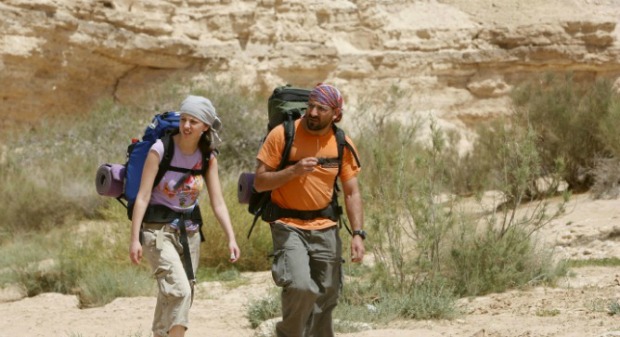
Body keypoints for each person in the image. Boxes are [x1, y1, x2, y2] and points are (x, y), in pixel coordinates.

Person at [254, 83, 366, 337]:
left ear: (336, 114)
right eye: (311, 106)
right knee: (301, 286)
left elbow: (351, 192)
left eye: (321, 108)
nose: (313, 113)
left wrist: (358, 233)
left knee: (327, 294)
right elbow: (260, 182)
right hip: (287, 223)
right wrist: (293, 171)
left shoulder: (341, 143)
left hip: (325, 226)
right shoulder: (283, 135)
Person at [129, 95, 240, 337]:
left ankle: (161, 333)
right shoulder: (161, 149)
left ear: (205, 127)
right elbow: (143, 196)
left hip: (189, 233)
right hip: (157, 231)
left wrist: (231, 237)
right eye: (184, 120)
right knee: (180, 292)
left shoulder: (208, 157)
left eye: (194, 122)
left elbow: (218, 202)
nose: (187, 126)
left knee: (179, 292)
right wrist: (135, 239)